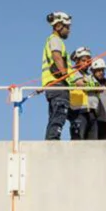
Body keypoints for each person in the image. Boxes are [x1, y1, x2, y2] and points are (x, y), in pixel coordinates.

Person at [41, 11, 74, 139]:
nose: (69, 30)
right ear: (59, 26)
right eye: (67, 27)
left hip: (53, 86)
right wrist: (66, 75)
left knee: (54, 117)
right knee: (59, 116)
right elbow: (57, 57)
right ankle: (52, 142)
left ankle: (50, 142)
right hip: (58, 85)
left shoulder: (52, 40)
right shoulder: (55, 40)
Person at [66, 47, 96, 140]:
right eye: (83, 60)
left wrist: (87, 84)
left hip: (90, 111)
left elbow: (98, 87)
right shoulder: (72, 72)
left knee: (92, 143)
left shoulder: (89, 75)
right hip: (77, 110)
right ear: (77, 61)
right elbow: (81, 84)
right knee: (78, 139)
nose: (86, 63)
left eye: (88, 61)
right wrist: (88, 85)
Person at [88, 59, 106, 140]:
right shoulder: (88, 81)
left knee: (105, 144)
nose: (101, 72)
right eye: (99, 70)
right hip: (93, 117)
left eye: (103, 70)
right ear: (93, 71)